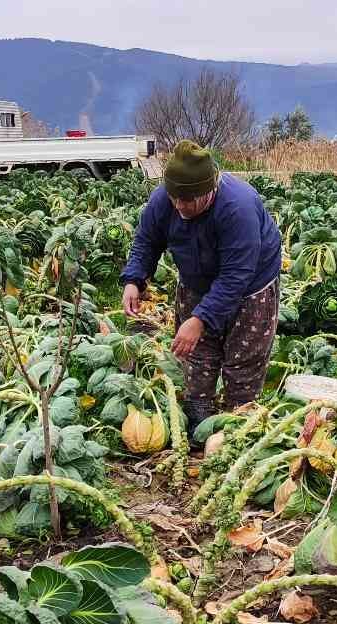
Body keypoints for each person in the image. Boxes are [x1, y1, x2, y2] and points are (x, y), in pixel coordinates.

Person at [120, 140, 283, 434]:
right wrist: (134, 279)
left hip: (251, 286)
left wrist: (200, 319)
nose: (180, 206)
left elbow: (236, 276)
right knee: (195, 354)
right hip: (195, 278)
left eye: (188, 199)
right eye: (175, 198)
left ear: (209, 190)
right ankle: (199, 418)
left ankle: (238, 424)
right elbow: (146, 241)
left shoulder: (237, 208)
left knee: (243, 359)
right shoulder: (165, 200)